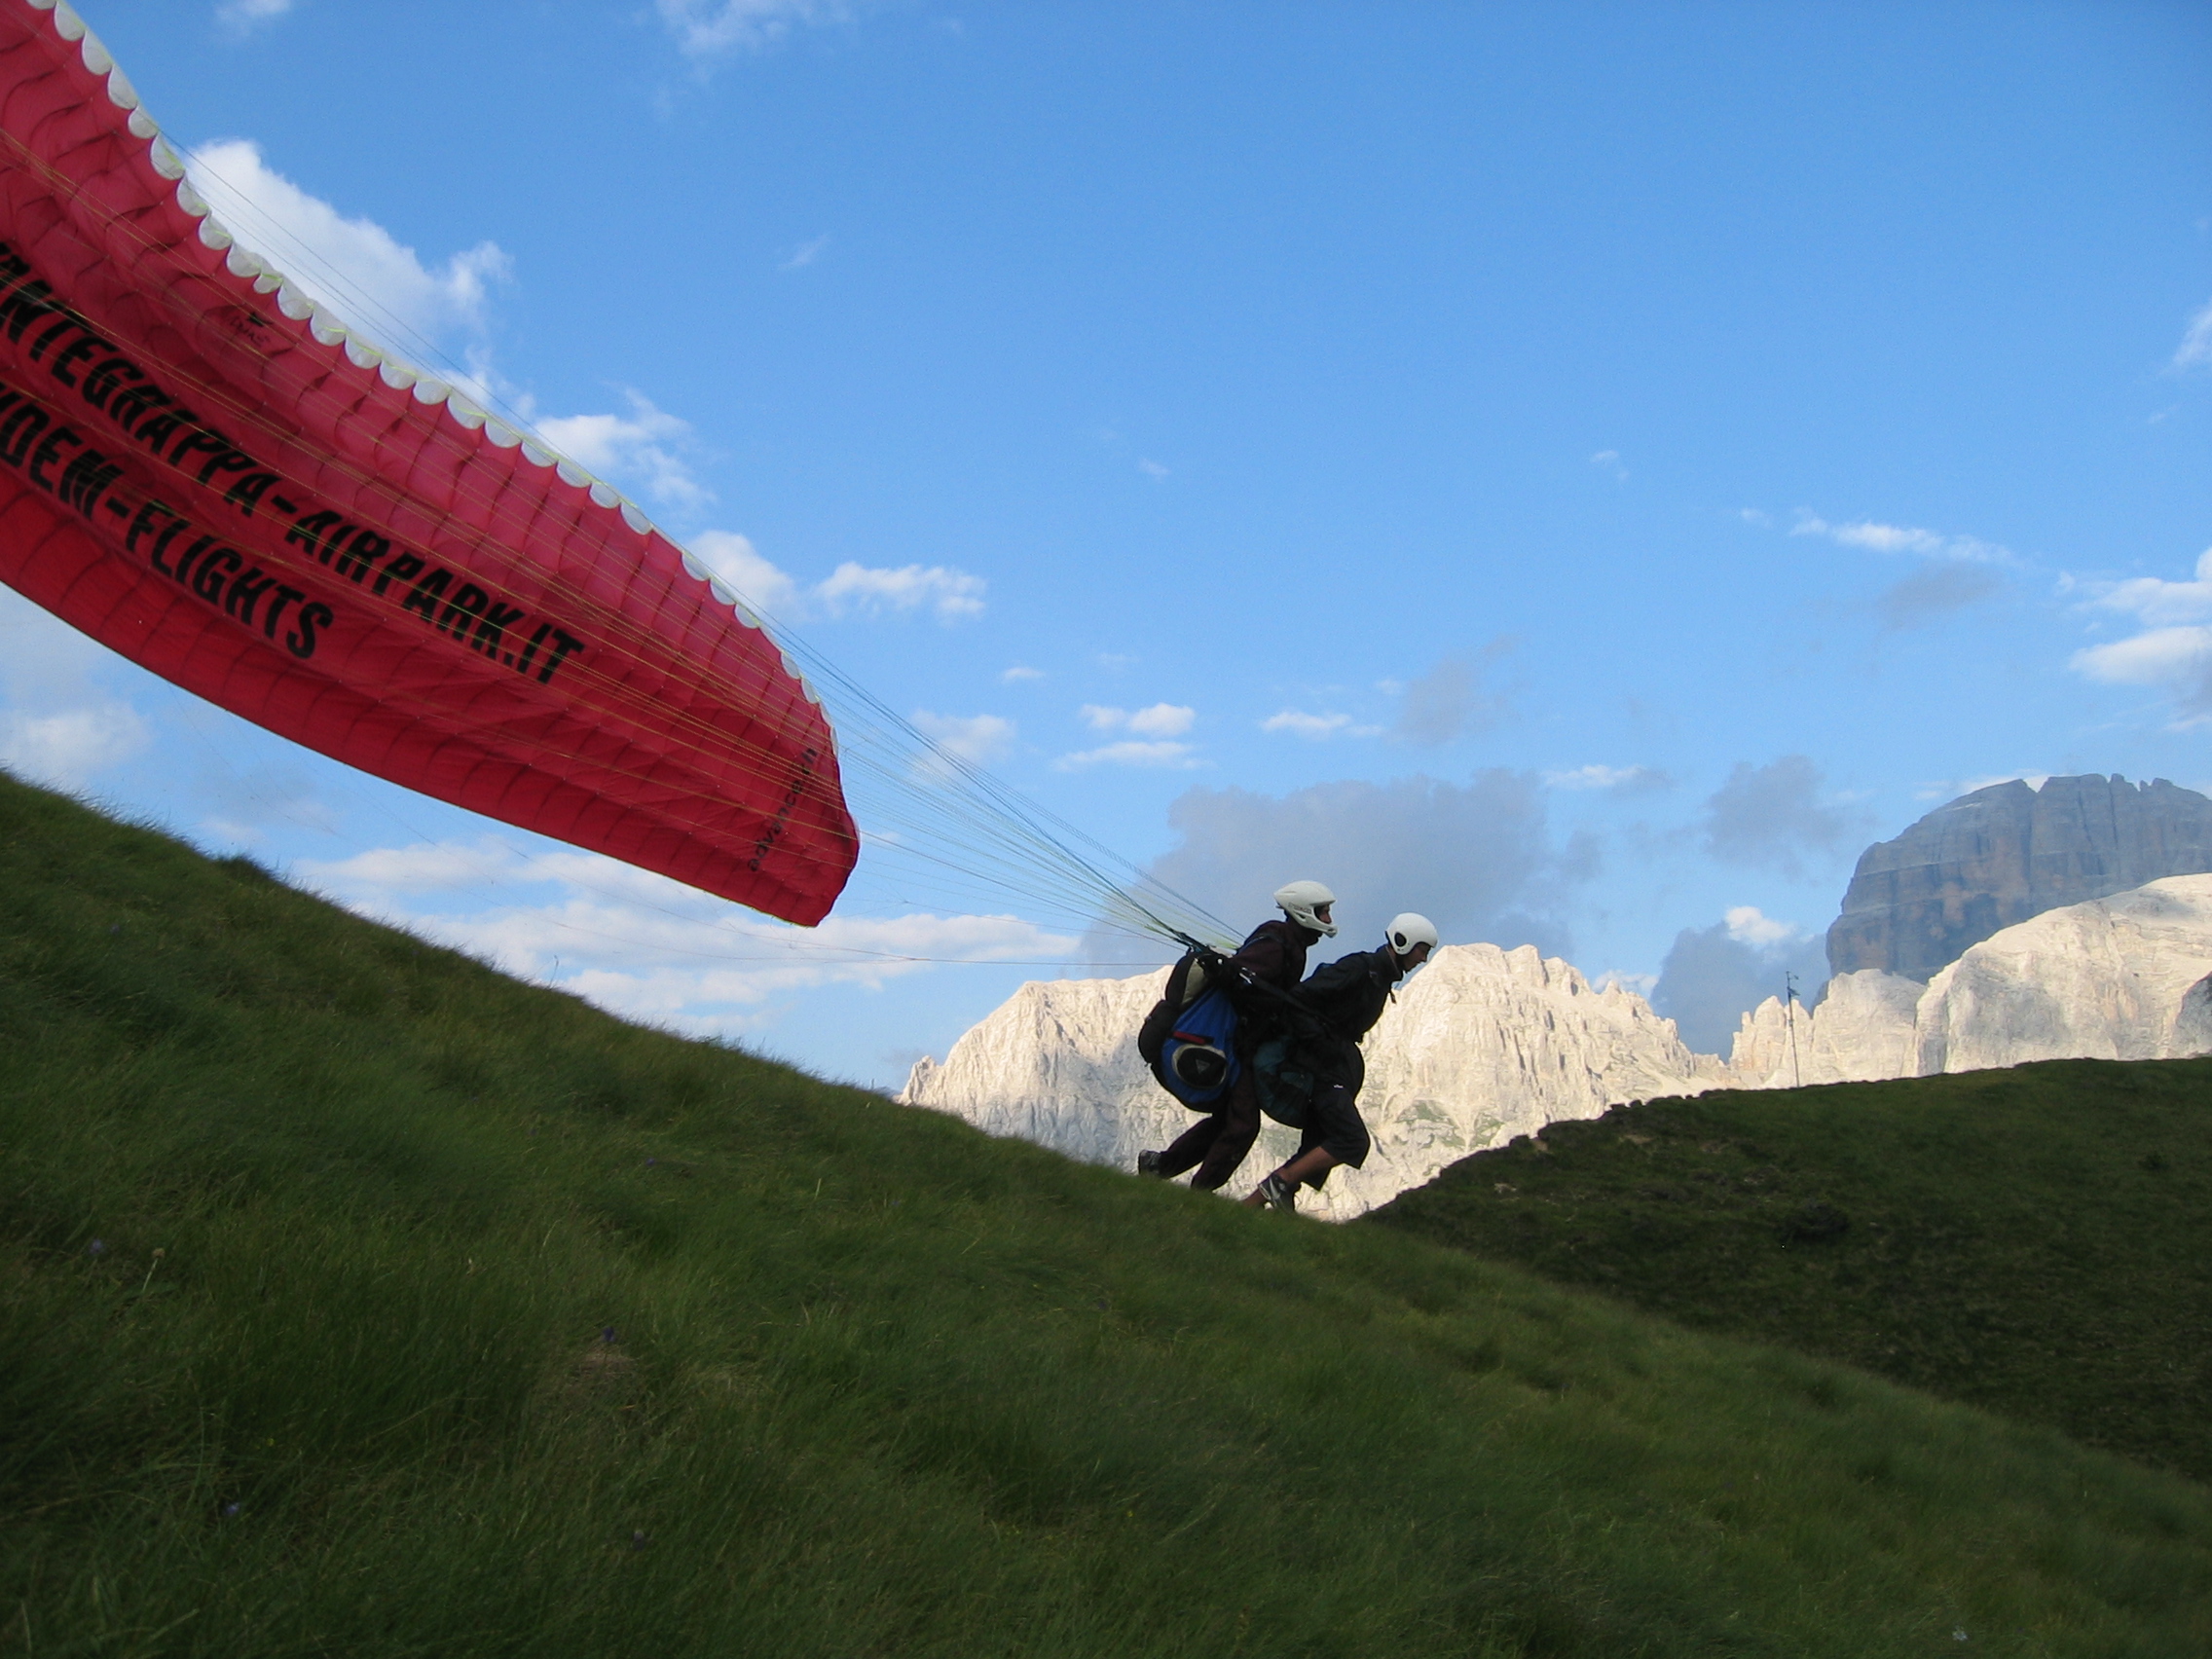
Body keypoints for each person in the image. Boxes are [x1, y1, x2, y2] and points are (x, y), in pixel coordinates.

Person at [1135, 880, 1338, 1191]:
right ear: (1304, 912)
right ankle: (1198, 1193)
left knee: (1227, 1121)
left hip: (1238, 1045)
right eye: (1323, 912)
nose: (1327, 919)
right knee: (1242, 1125)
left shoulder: (1289, 943)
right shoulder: (1277, 944)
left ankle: (1160, 1166)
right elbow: (1242, 979)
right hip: (1228, 1042)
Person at [1243, 912, 1440, 1213]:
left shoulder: (1378, 978)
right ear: (1404, 942)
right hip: (1321, 1070)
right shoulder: (1360, 968)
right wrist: (1323, 1046)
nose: (1423, 959)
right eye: (1422, 950)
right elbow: (1300, 999)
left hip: (1332, 1069)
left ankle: (1251, 1205)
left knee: (1319, 1141)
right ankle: (1279, 1183)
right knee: (1351, 1140)